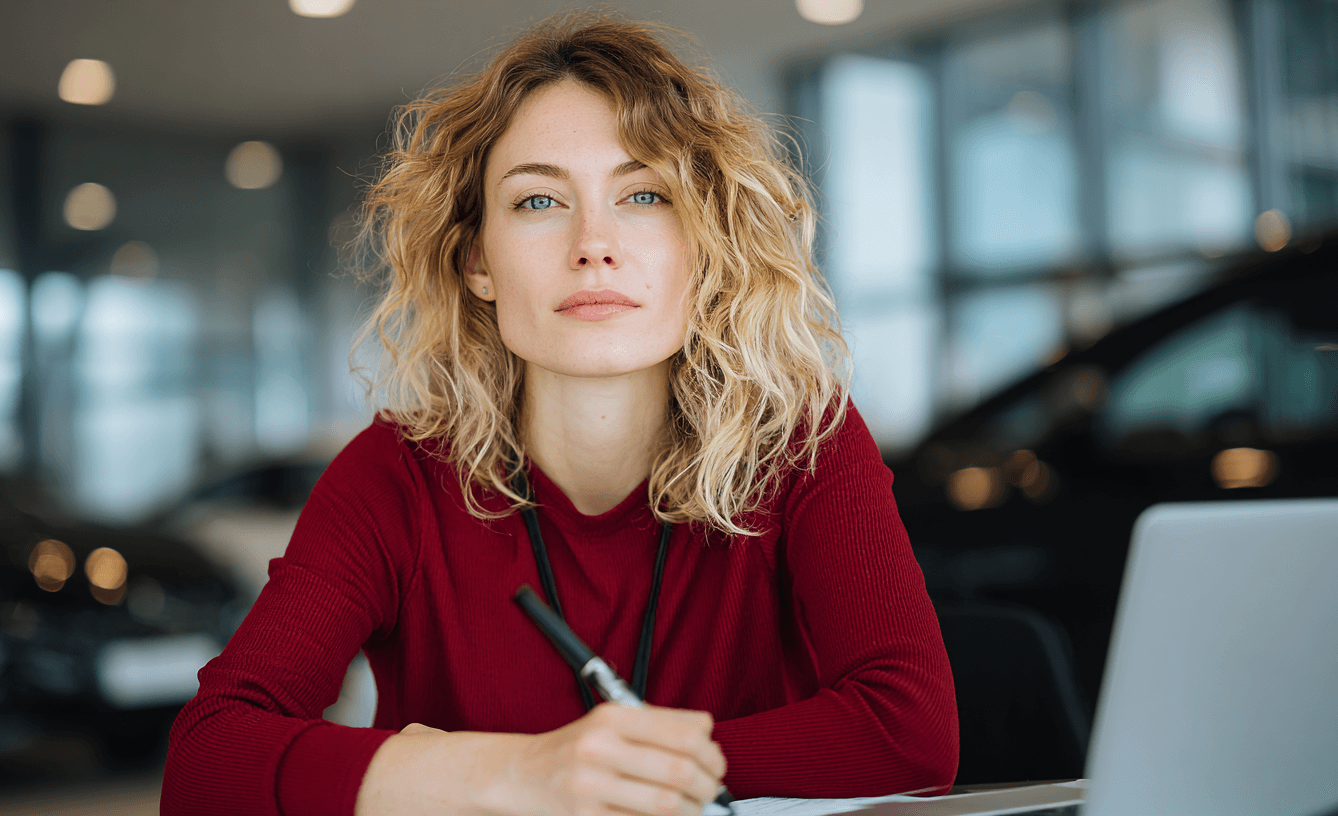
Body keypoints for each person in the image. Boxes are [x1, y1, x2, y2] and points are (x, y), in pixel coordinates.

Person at [162, 12, 958, 816]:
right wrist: (516, 776)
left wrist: (605, 774)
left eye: (644, 194)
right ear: (477, 261)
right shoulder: (394, 475)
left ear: (706, 242)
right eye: (539, 200)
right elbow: (207, 763)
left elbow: (911, 734)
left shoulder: (803, 445)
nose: (594, 244)